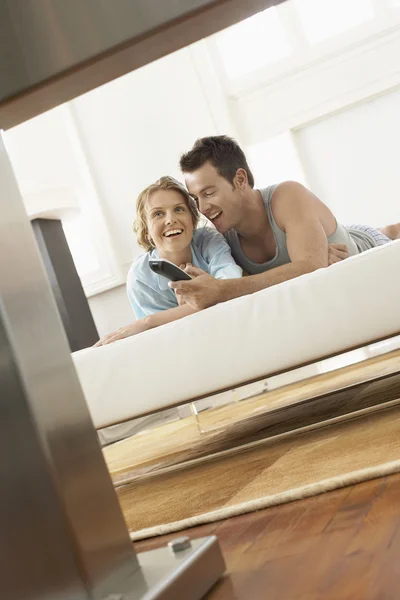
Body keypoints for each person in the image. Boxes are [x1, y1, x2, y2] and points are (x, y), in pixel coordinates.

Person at [170, 135, 399, 309]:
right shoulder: (220, 237)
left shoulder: (287, 195)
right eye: (195, 198)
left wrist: (222, 289)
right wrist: (305, 265)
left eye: (209, 193)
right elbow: (305, 270)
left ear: (240, 179)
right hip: (329, 240)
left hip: (368, 243)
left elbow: (310, 268)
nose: (201, 208)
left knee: (389, 233)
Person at [94, 176, 241, 346]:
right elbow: (167, 338)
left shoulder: (208, 240)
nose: (170, 219)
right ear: (146, 230)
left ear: (193, 220)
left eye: (179, 209)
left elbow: (232, 287)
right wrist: (202, 304)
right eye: (158, 214)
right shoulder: (141, 277)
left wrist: (149, 321)